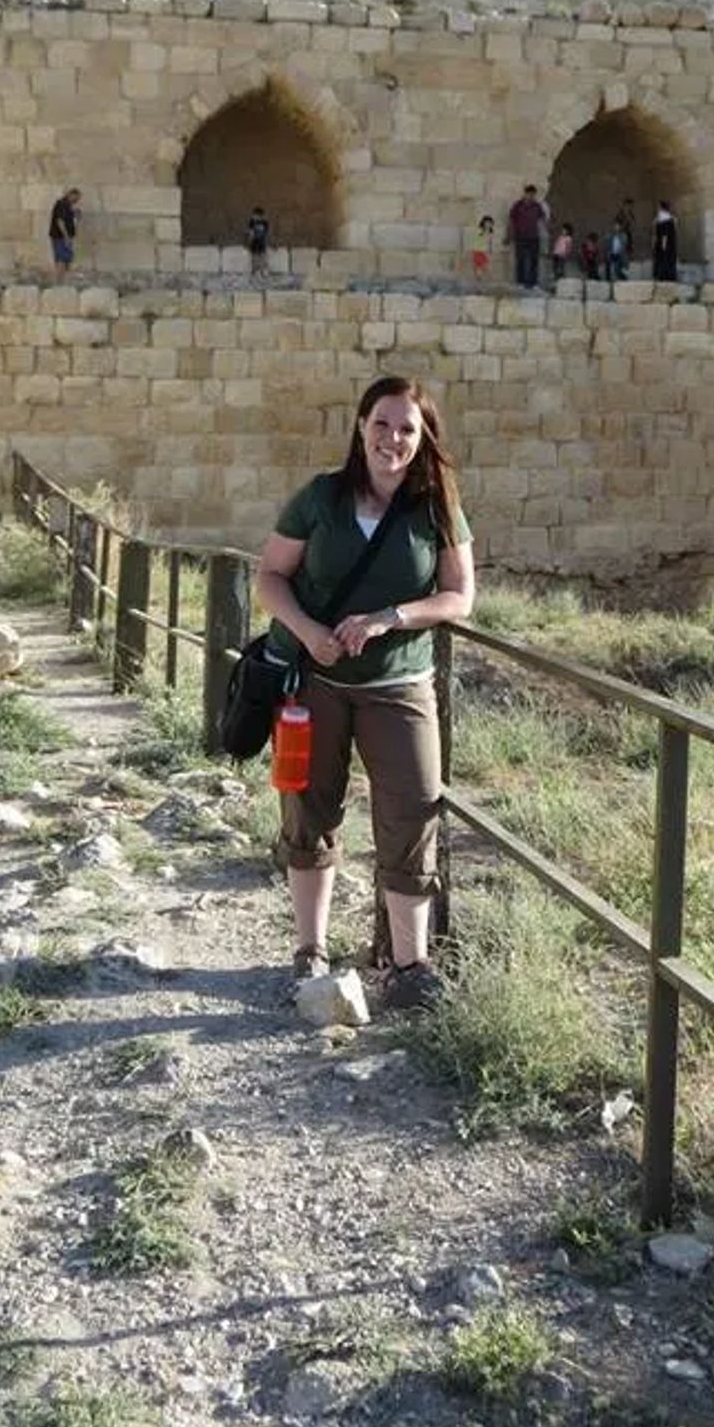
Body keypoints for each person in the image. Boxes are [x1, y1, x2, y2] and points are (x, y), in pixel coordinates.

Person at [255, 375, 476, 1010]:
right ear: (360, 426)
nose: (393, 439)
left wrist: (391, 617)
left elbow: (459, 596)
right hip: (315, 683)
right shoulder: (321, 499)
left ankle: (409, 966)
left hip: (401, 685)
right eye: (382, 424)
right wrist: (309, 630)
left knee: (412, 810)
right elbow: (270, 574)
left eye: (408, 428)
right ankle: (311, 950)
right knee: (308, 807)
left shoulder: (437, 507)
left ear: (422, 438)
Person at [505, 183, 546, 288]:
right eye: (529, 194)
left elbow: (542, 220)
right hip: (520, 236)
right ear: (525, 194)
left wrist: (544, 235)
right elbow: (511, 220)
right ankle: (520, 282)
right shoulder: (518, 205)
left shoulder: (537, 206)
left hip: (534, 237)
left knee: (534, 260)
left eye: (533, 195)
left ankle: (533, 282)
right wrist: (509, 235)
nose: (531, 197)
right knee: (520, 260)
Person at [48, 187, 81, 274]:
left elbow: (71, 221)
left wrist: (76, 215)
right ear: (71, 195)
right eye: (76, 198)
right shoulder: (62, 204)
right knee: (61, 259)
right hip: (60, 237)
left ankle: (63, 282)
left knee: (67, 259)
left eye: (78, 199)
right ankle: (59, 284)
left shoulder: (68, 206)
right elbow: (60, 221)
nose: (77, 201)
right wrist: (66, 237)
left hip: (66, 238)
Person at [652, 198, 679, 283]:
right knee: (667, 259)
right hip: (669, 244)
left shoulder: (664, 219)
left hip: (664, 243)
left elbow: (664, 234)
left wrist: (663, 244)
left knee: (664, 259)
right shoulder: (671, 218)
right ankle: (667, 275)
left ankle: (663, 276)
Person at [467, 213, 495, 281]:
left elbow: (489, 243)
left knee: (484, 270)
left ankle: (481, 283)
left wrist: (490, 251)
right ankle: (481, 283)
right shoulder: (480, 231)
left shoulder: (489, 232)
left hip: (483, 252)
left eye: (490, 223)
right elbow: (474, 241)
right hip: (478, 252)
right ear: (484, 223)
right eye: (487, 223)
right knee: (483, 270)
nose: (488, 224)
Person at [246, 205, 272, 277]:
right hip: (254, 242)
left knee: (262, 256)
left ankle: (263, 270)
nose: (253, 217)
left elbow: (267, 233)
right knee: (254, 256)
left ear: (259, 215)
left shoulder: (265, 223)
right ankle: (254, 270)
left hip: (261, 242)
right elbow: (251, 233)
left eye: (255, 215)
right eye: (253, 215)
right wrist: (249, 241)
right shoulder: (252, 222)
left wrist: (267, 242)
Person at [606, 218, 630, 282]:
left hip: (619, 255)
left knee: (617, 269)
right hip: (612, 254)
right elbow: (608, 246)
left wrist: (623, 255)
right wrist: (608, 253)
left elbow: (624, 246)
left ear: (619, 227)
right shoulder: (610, 236)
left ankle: (624, 278)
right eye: (614, 226)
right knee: (612, 269)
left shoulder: (623, 236)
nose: (615, 227)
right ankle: (613, 280)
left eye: (616, 226)